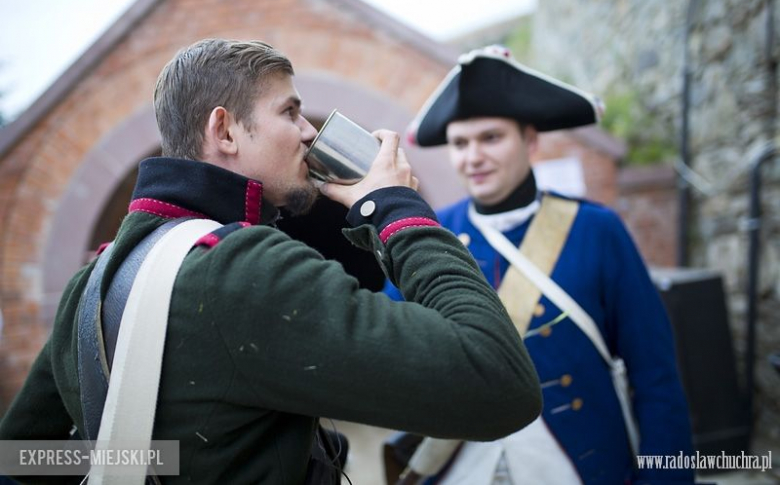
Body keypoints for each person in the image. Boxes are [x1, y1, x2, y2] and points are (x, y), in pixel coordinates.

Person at [0, 39, 543, 484]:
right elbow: (497, 383)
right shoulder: (244, 267)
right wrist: (396, 207)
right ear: (225, 131)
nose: (309, 131)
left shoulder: (91, 279)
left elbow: (22, 457)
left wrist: (159, 460)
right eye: (289, 111)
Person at [384, 46, 695, 484]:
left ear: (530, 140)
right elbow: (392, 346)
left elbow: (655, 375)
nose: (472, 157)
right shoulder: (427, 231)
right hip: (458, 467)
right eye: (460, 143)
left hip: (579, 463)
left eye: (490, 138)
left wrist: (667, 478)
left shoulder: (597, 229)